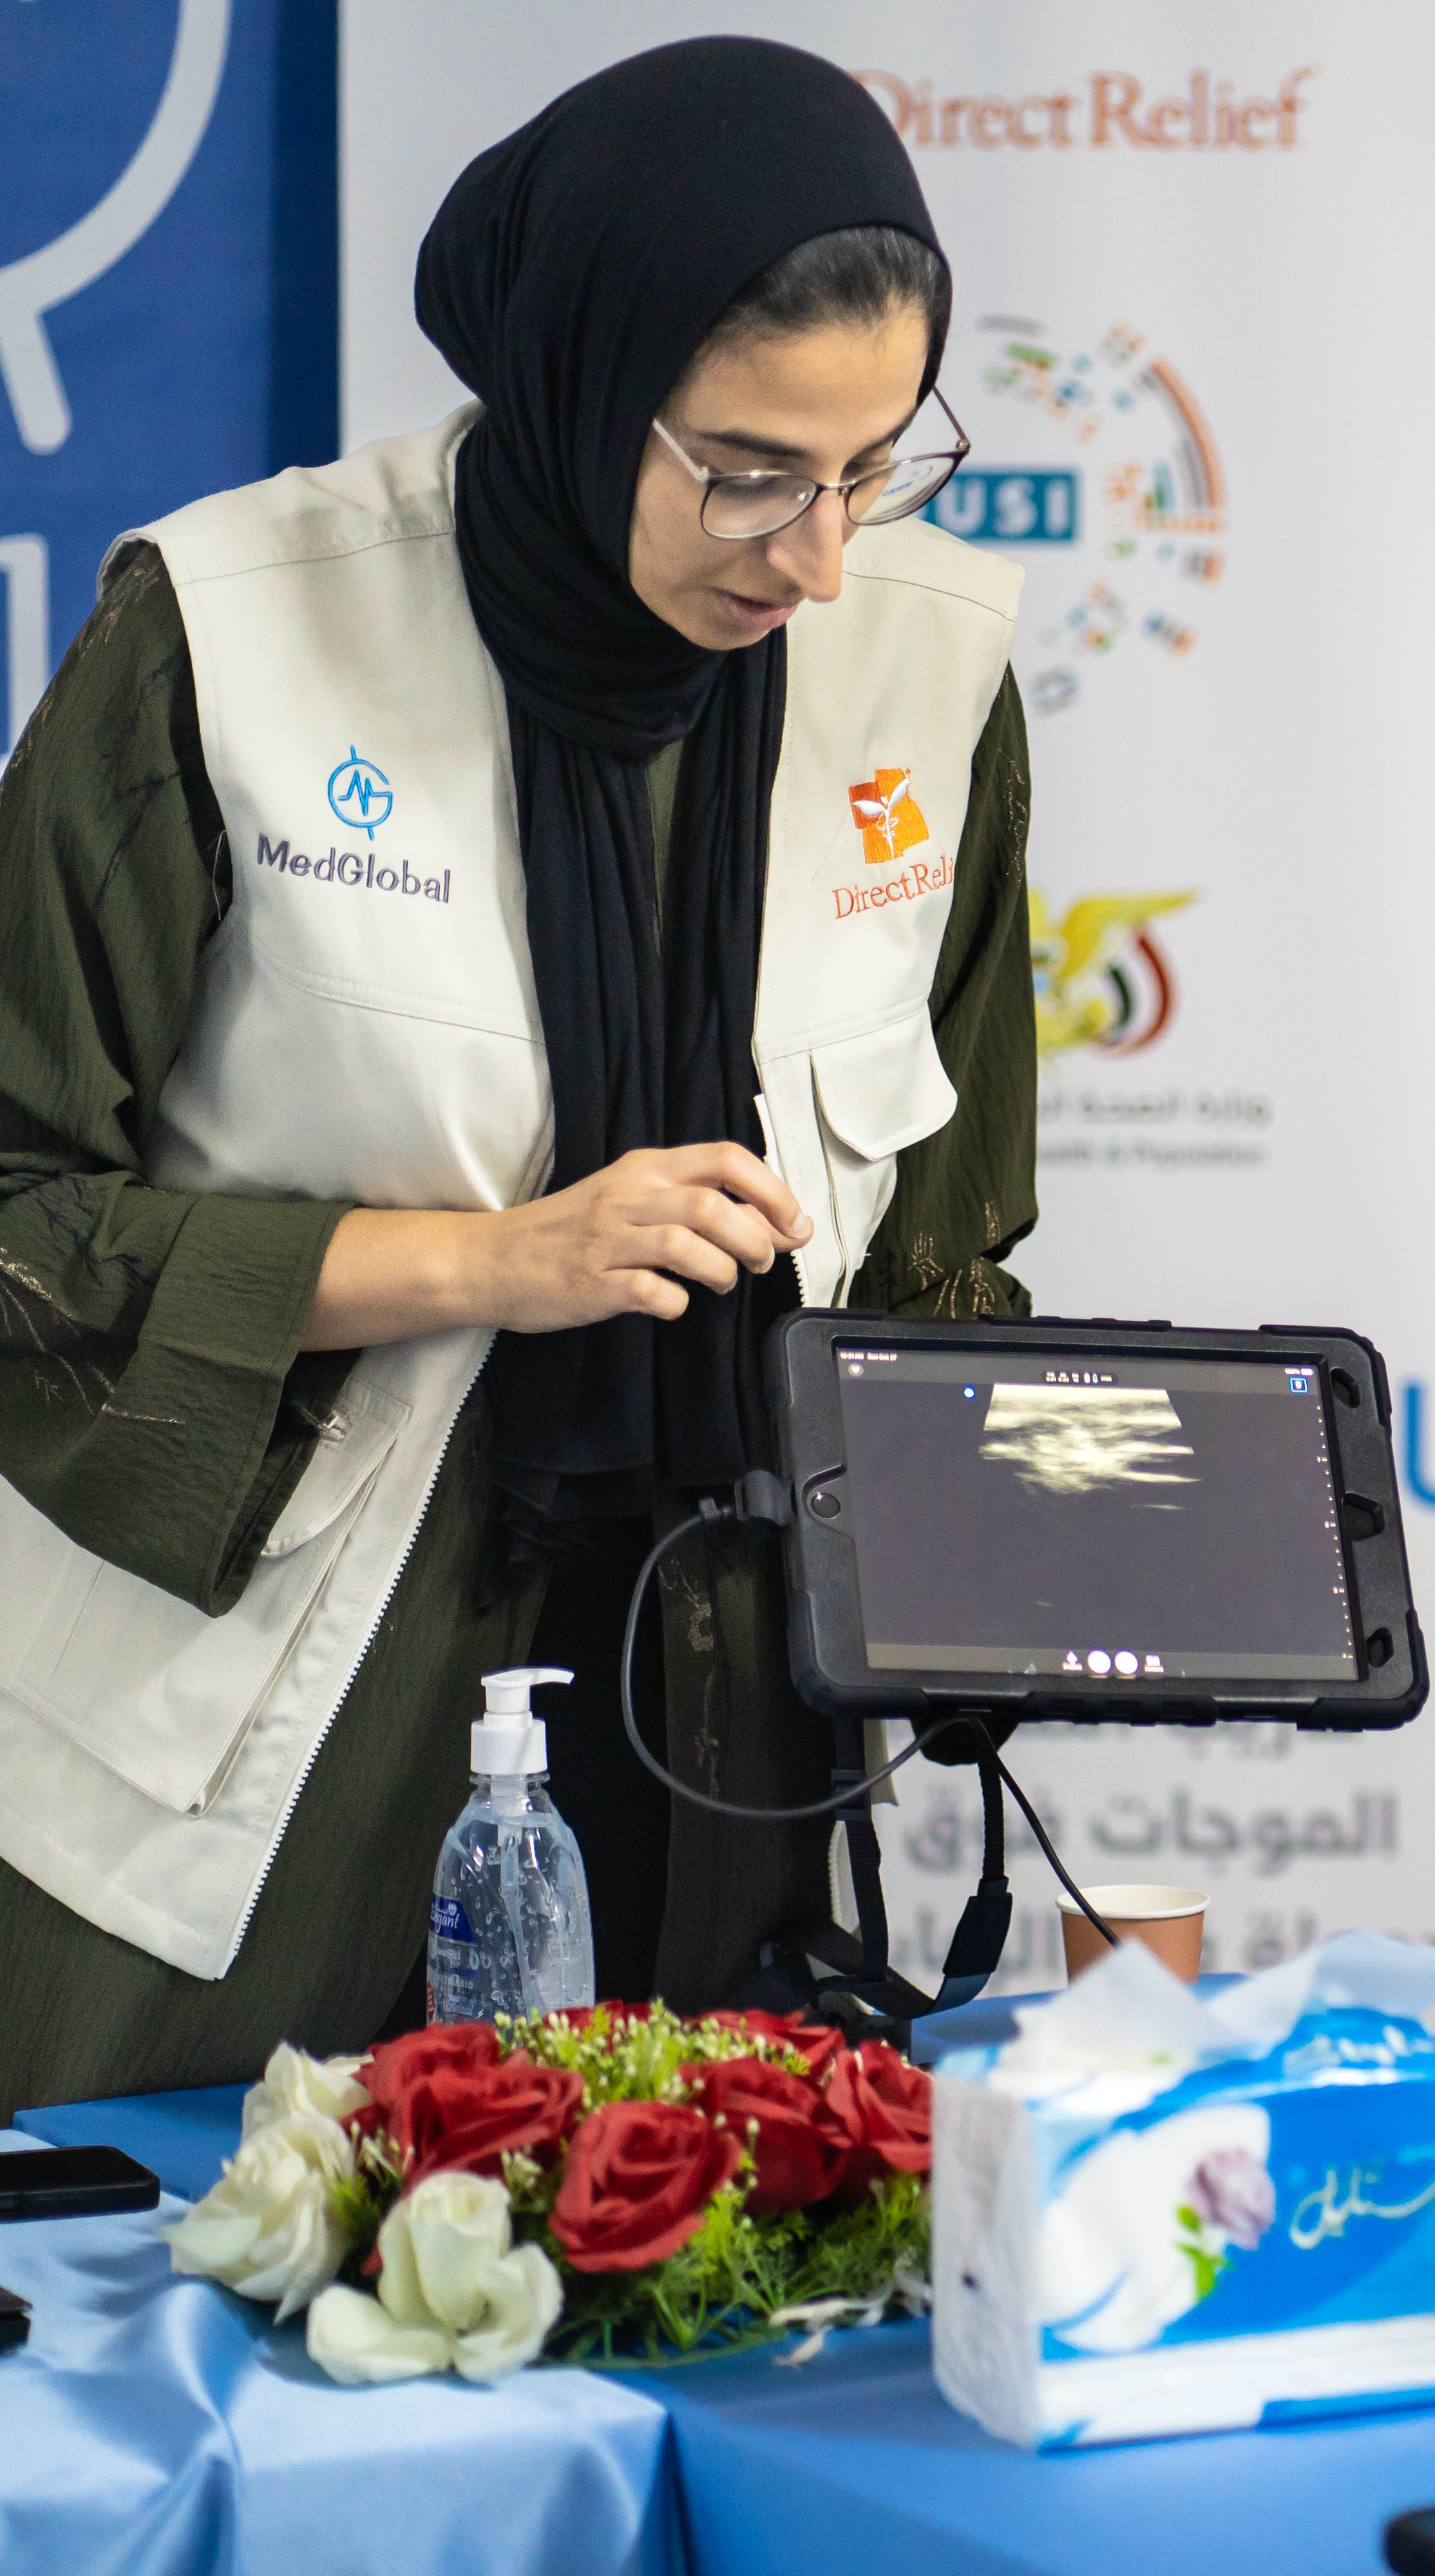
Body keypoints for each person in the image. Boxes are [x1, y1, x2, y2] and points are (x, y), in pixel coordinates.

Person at [0, 39, 1035, 2114]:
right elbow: (18, 1220)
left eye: (872, 468)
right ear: (577, 374)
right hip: (254, 1770)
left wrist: (1035, 1576)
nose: (815, 556)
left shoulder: (930, 666)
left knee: (681, 2316)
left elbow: (948, 1250)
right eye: (747, 467)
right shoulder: (229, 641)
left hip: (721, 1757)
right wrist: (490, 1260)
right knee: (195, 2335)